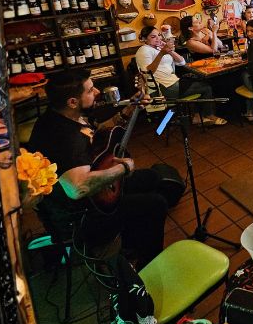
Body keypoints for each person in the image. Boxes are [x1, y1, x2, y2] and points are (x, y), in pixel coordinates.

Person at [28, 69, 182, 267]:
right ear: (72, 101)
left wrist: (129, 109)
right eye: (90, 90)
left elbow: (97, 132)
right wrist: (122, 169)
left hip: (93, 192)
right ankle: (148, 265)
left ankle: (130, 241)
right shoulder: (65, 138)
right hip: (81, 217)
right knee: (156, 204)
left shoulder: (66, 115)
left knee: (151, 178)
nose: (97, 92)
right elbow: (77, 188)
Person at [135, 26, 227, 125]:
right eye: (153, 37)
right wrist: (161, 53)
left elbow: (182, 62)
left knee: (201, 82)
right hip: (164, 88)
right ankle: (208, 115)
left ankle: (197, 116)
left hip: (173, 81)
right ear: (144, 39)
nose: (158, 38)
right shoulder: (144, 50)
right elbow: (147, 72)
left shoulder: (158, 48)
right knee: (206, 87)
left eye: (159, 35)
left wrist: (169, 51)